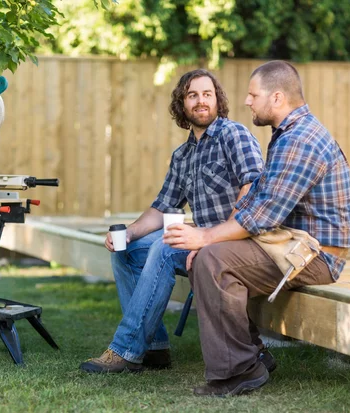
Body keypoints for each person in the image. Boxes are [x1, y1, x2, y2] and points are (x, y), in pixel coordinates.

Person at [163, 60, 350, 396]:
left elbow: (262, 216)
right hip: (291, 246)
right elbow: (255, 203)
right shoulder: (286, 135)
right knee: (209, 255)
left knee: (213, 260)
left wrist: (204, 238)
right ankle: (252, 356)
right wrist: (205, 241)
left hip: (315, 256)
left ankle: (239, 371)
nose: (247, 101)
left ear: (277, 97)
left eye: (253, 95)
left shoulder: (300, 140)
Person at [79, 69, 265, 374]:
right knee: (128, 250)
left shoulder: (234, 134)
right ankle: (154, 348)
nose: (201, 101)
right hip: (199, 241)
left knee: (165, 248)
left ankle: (126, 349)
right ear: (182, 104)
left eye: (207, 94)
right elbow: (162, 208)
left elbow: (253, 189)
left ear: (218, 100)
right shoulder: (183, 155)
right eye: (193, 95)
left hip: (234, 242)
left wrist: (210, 238)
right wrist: (129, 231)